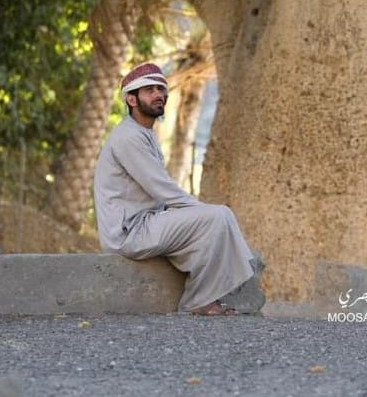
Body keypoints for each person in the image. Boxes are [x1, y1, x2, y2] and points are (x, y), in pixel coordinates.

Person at [93, 63, 256, 316]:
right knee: (218, 216)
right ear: (131, 99)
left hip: (147, 223)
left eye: (161, 89)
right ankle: (198, 301)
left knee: (217, 218)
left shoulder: (144, 133)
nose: (158, 94)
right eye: (149, 90)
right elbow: (163, 190)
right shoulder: (128, 137)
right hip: (129, 232)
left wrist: (199, 214)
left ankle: (207, 294)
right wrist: (203, 212)